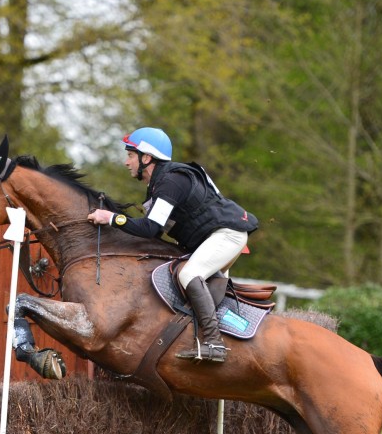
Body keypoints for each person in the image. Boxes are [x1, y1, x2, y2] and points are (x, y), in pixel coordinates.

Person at [88, 127, 258, 363]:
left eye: (130, 155)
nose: (126, 162)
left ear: (146, 157)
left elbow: (150, 228)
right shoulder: (161, 183)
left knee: (189, 274)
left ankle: (214, 344)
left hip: (226, 235)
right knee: (191, 277)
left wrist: (111, 218)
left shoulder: (170, 181)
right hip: (216, 236)